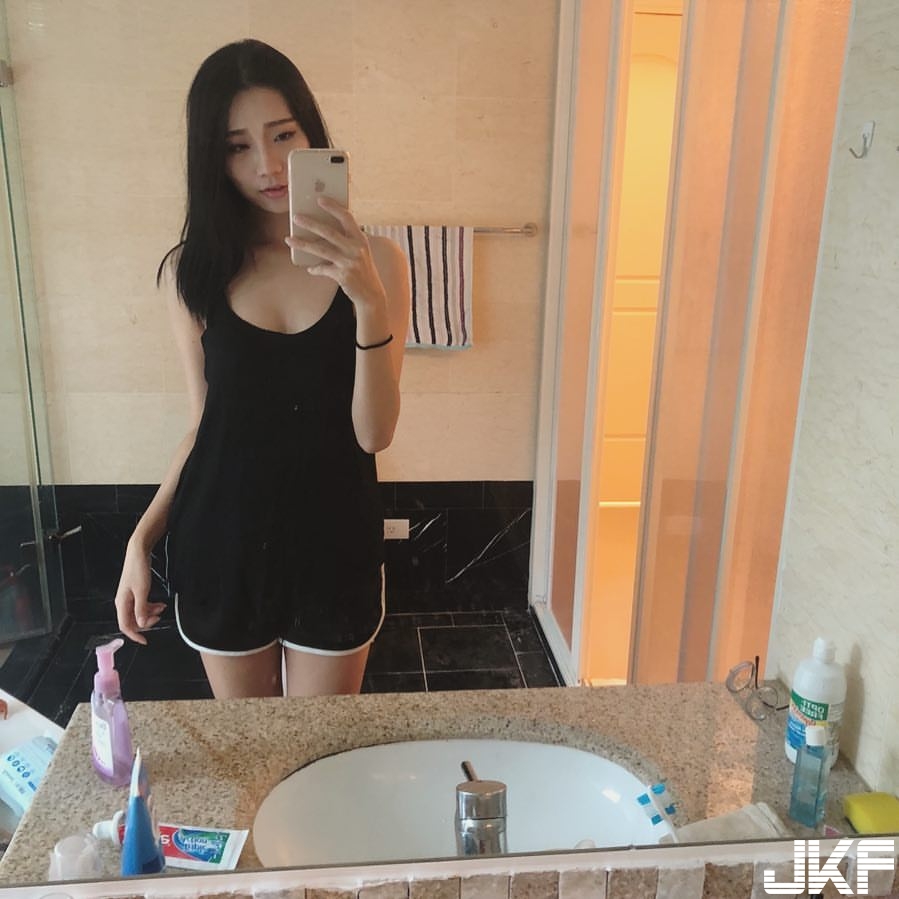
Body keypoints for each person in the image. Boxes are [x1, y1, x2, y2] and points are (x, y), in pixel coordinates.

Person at [113, 39, 410, 699]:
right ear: (211, 159)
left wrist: (366, 299)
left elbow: (373, 433)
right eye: (237, 147)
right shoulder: (192, 272)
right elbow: (204, 424)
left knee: (321, 747)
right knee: (250, 748)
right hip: (221, 541)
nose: (268, 165)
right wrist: (142, 538)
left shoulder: (381, 263)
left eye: (282, 135)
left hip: (335, 539)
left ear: (311, 134)